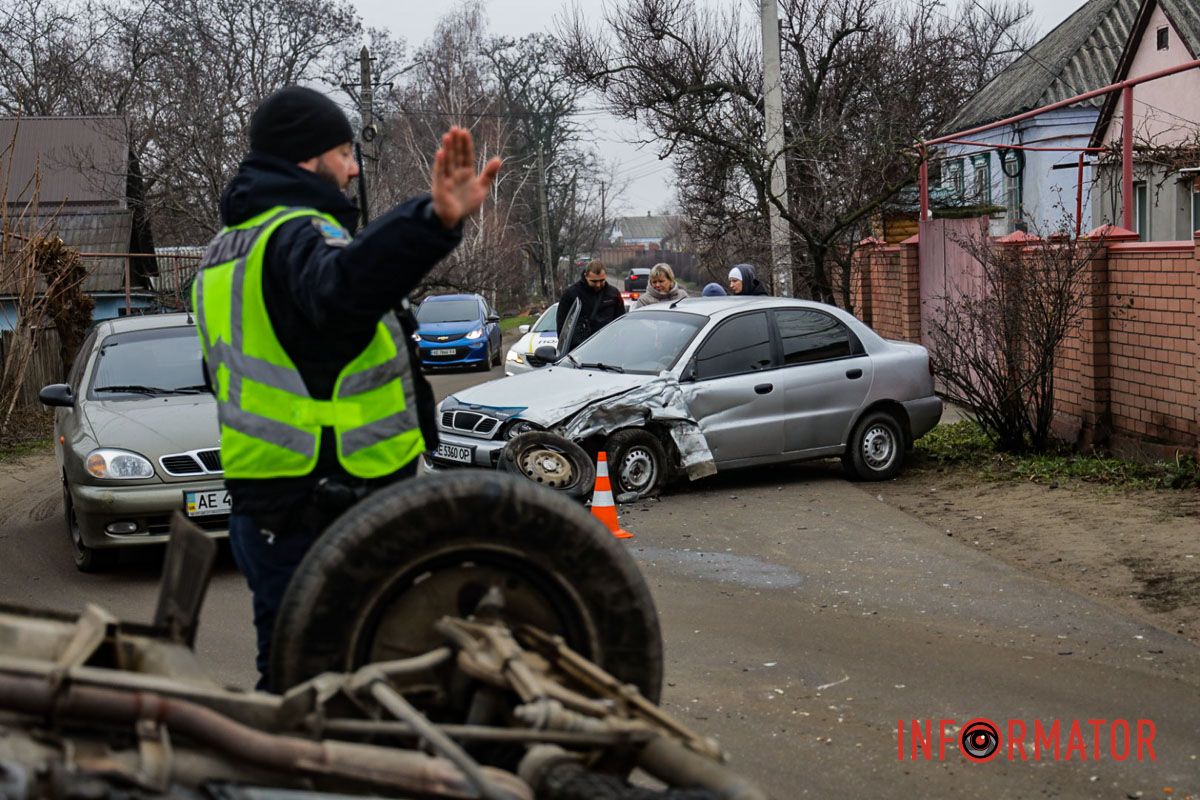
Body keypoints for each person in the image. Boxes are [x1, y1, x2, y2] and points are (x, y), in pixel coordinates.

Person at [192, 85, 500, 690]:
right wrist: (430, 221)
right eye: (343, 151)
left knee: (290, 671)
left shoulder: (224, 251)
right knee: (331, 685)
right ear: (307, 158)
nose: (354, 167)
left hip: (267, 506)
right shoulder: (296, 235)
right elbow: (342, 292)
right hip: (325, 503)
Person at [555, 260, 625, 347]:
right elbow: (562, 325)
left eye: (601, 280)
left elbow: (621, 322)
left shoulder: (613, 294)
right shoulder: (572, 294)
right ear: (585, 276)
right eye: (594, 281)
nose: (598, 285)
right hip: (580, 348)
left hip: (609, 346)